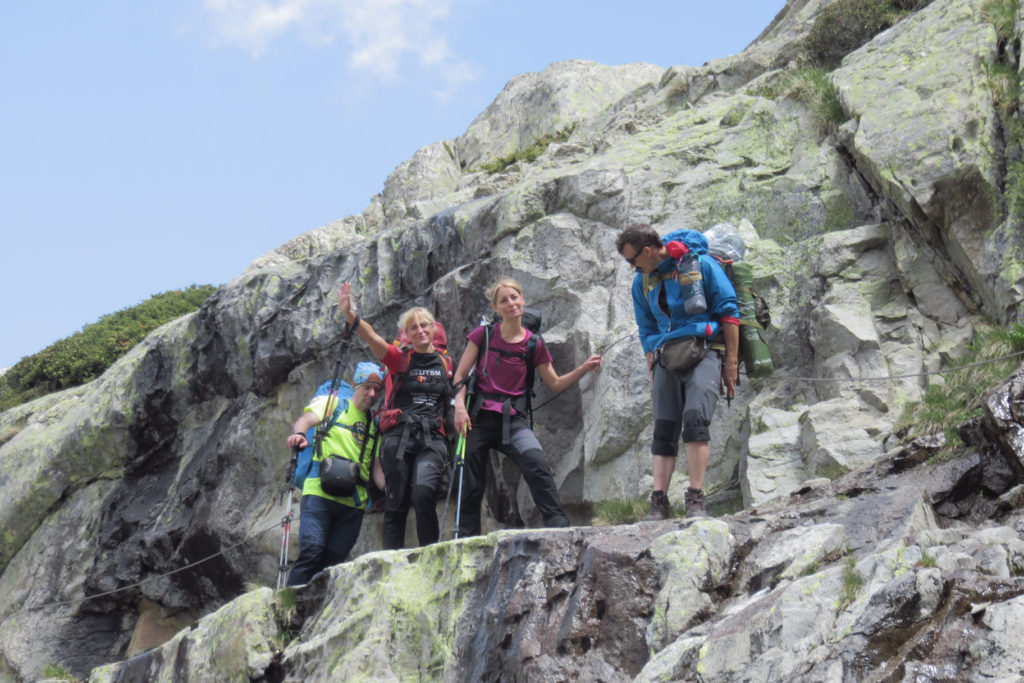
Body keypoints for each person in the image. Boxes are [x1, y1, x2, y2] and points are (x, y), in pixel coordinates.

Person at [452, 278, 603, 536]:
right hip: (476, 417)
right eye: (504, 300)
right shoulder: (483, 335)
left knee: (536, 462)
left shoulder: (534, 343)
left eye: (514, 297)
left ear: (522, 300)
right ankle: (466, 537)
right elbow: (460, 376)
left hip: (513, 419)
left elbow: (554, 383)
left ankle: (558, 526)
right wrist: (459, 409)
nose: (511, 303)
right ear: (496, 308)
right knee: (471, 478)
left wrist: (583, 368)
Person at [615, 223, 740, 519]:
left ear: (647, 251)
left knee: (696, 418)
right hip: (664, 357)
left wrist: (731, 364)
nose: (631, 267)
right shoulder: (642, 283)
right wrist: (651, 363)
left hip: (705, 349)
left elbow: (729, 312)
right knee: (664, 428)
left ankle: (695, 498)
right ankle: (659, 502)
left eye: (632, 260)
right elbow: (646, 327)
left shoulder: (701, 264)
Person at [337, 282, 452, 549]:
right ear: (407, 335)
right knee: (396, 499)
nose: (420, 331)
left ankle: (430, 555)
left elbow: (457, 392)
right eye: (414, 328)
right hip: (398, 437)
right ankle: (392, 559)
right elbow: (373, 337)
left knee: (424, 494)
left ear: (433, 328)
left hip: (432, 438)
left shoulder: (447, 363)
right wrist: (349, 315)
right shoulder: (398, 359)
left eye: (425, 325)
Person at [285, 361, 384, 586]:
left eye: (377, 390)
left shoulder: (374, 425)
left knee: (333, 564)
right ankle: (288, 608)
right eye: (367, 387)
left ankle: (315, 612)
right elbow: (305, 421)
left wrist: (389, 488)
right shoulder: (331, 404)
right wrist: (300, 435)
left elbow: (376, 465)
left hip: (353, 504)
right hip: (319, 493)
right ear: (354, 384)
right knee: (312, 551)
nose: (372, 394)